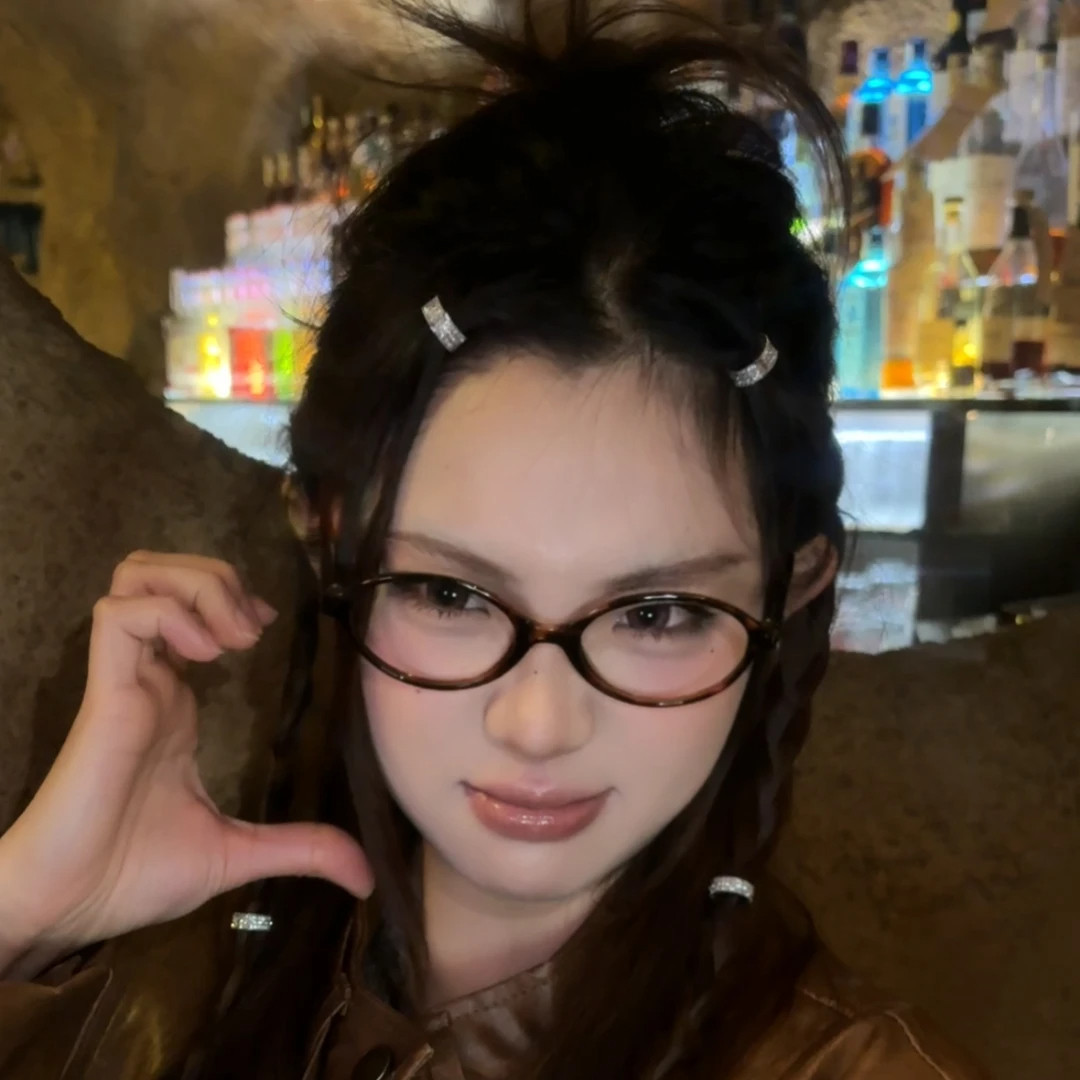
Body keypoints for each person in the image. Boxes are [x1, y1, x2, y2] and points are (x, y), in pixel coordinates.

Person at [0, 3, 993, 1078]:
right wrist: (29, 911)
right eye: (452, 595)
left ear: (790, 592)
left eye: (657, 614)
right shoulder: (155, 973)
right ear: (331, 544)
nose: (538, 724)